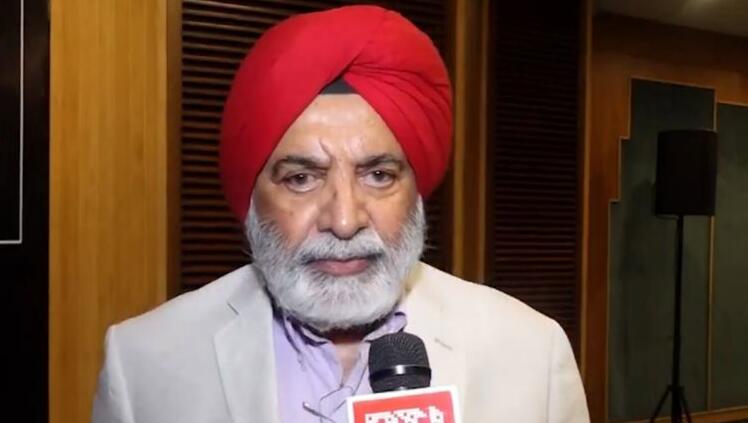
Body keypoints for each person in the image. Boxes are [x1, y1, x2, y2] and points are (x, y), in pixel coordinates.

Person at [92, 5, 589, 423]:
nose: (345, 220)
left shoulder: (530, 354)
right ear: (251, 200)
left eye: (379, 175)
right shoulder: (143, 365)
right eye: (301, 178)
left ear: (416, 193)